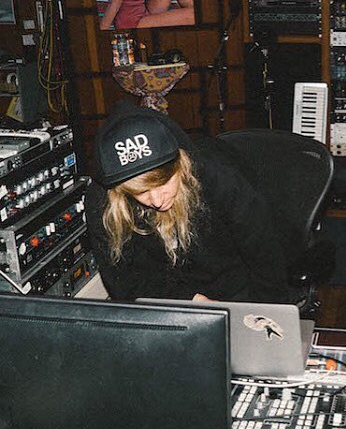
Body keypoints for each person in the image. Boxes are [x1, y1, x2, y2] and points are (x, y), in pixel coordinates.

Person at [85, 102, 289, 302]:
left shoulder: (220, 179)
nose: (156, 200)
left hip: (236, 288)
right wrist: (190, 300)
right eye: (141, 192)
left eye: (163, 183)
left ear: (181, 164)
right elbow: (125, 283)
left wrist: (263, 314)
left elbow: (266, 259)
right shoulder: (103, 203)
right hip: (167, 297)